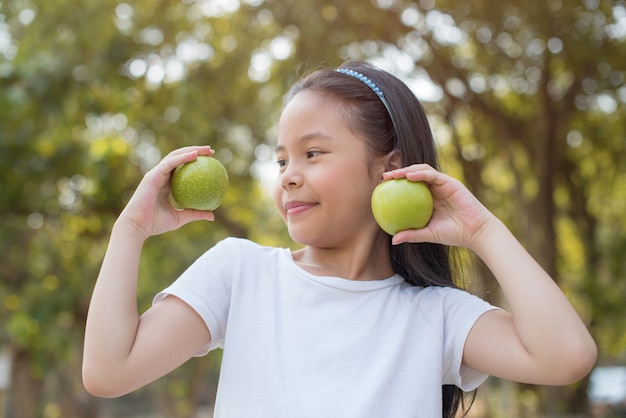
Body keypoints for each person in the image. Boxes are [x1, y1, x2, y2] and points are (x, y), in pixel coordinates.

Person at [82, 61, 597, 417]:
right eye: (282, 159)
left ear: (388, 169)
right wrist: (130, 231)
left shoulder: (436, 314)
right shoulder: (239, 273)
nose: (286, 175)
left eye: (313, 154)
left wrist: (483, 231)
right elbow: (109, 371)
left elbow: (567, 356)